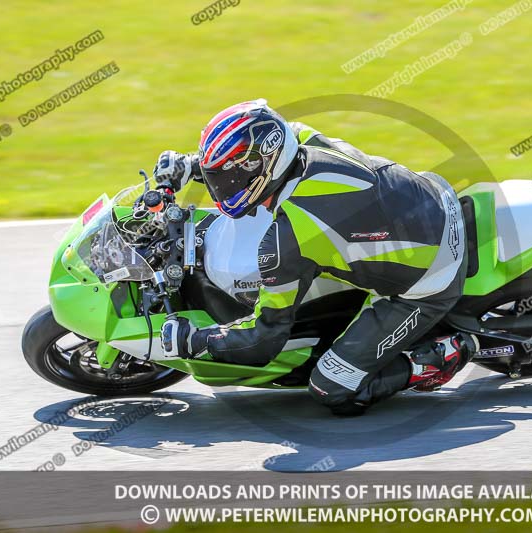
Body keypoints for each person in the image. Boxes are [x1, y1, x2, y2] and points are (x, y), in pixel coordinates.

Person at [157, 99, 478, 416]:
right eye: (215, 177)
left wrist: (195, 341)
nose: (219, 187)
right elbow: (261, 148)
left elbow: (263, 339)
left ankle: (443, 356)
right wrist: (192, 165)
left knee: (333, 386)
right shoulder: (301, 140)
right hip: (432, 194)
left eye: (225, 177)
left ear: (261, 166)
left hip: (434, 275)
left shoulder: (291, 239)